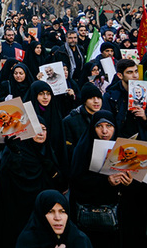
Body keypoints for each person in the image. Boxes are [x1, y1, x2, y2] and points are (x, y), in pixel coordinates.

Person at [0, 118, 64, 248]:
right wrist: (15, 156)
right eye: (36, 130)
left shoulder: (49, 152)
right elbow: (9, 184)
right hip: (18, 216)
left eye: (44, 129)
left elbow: (60, 187)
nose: (41, 133)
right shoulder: (16, 152)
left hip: (42, 217)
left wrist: (52, 171)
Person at [68, 110, 122, 247]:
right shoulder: (83, 149)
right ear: (93, 128)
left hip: (115, 216)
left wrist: (127, 182)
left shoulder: (123, 149)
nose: (104, 131)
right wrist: (106, 182)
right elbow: (77, 181)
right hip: (89, 215)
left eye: (109, 126)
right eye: (99, 126)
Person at [15, 190, 92, 248]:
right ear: (41, 215)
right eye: (51, 212)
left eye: (62, 211)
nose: (58, 218)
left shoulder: (80, 240)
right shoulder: (27, 242)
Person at [63, 83, 103, 161]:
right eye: (91, 98)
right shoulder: (70, 121)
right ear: (84, 101)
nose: (96, 101)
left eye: (98, 98)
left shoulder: (105, 117)